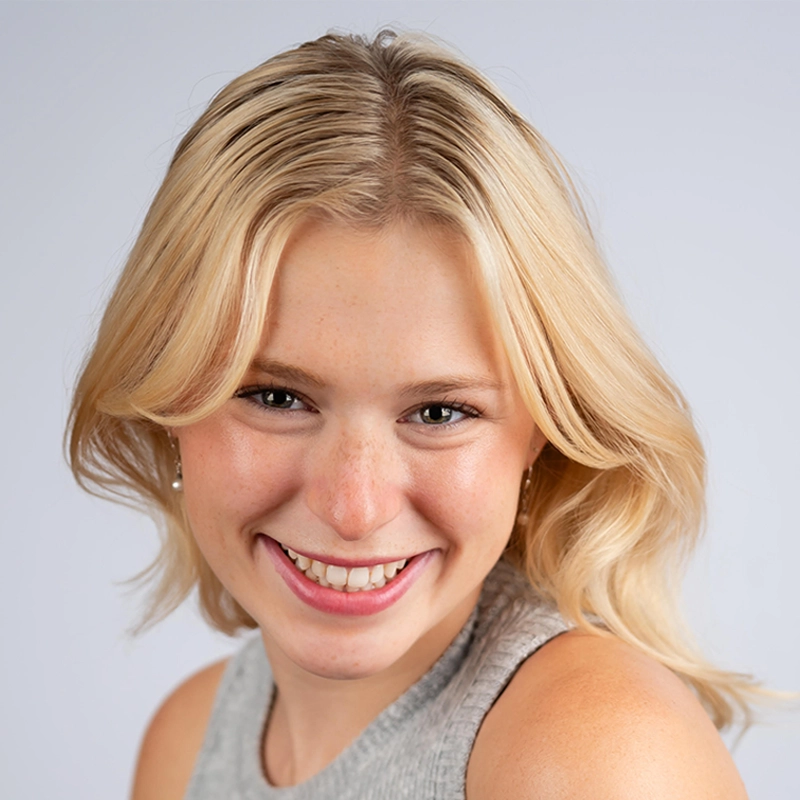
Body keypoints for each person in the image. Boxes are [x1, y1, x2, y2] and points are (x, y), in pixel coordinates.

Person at [68, 30, 758, 799]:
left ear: (541, 434)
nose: (354, 507)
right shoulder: (188, 741)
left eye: (438, 411)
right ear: (169, 403)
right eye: (275, 398)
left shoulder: (598, 754)